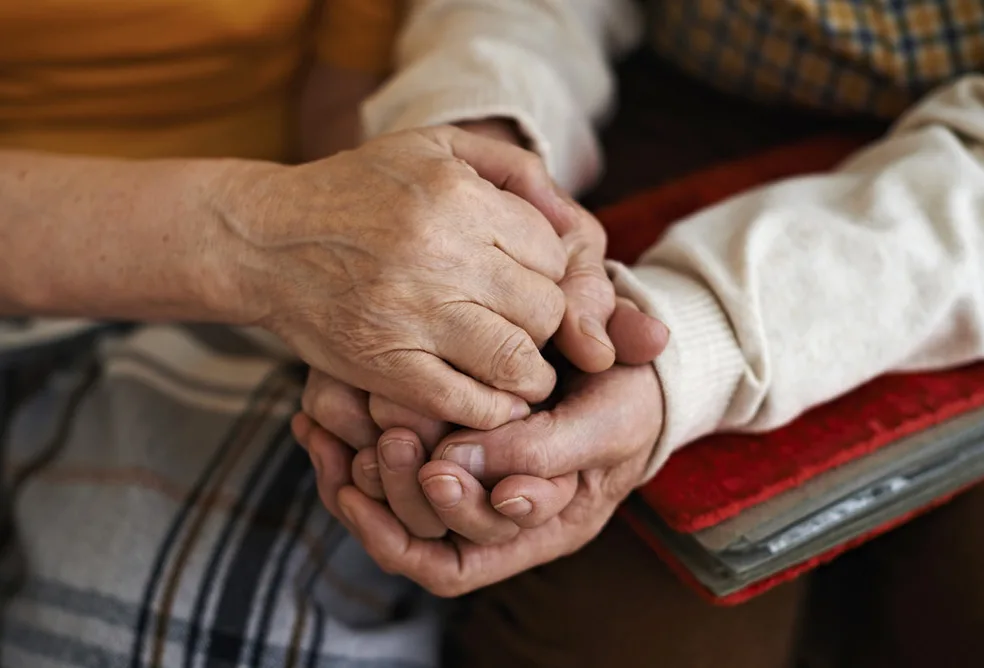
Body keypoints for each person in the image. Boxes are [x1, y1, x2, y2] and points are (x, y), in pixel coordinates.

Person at [295, 1, 984, 666]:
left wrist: (700, 341)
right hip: (654, 98)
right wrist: (474, 165)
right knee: (629, 644)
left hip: (961, 216)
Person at [0, 1, 668, 666]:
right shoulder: (270, 240)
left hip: (248, 280)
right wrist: (261, 239)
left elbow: (340, 102)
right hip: (204, 244)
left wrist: (430, 282)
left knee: (178, 634)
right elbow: (286, 240)